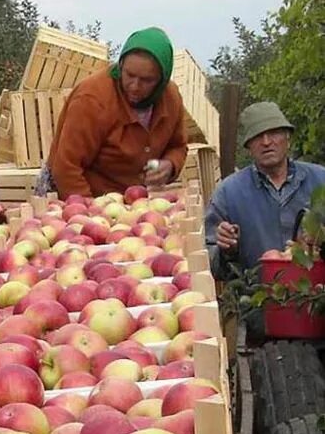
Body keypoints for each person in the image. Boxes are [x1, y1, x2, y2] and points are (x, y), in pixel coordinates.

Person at [39, 27, 188, 199]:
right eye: (129, 75)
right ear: (121, 65)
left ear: (162, 79)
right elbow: (67, 168)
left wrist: (170, 164)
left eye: (147, 80)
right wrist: (88, 214)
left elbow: (178, 146)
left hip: (133, 205)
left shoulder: (171, 99)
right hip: (82, 199)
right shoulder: (92, 100)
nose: (135, 86)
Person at [205, 101, 325, 279]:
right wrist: (227, 251)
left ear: (288, 138)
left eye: (274, 133)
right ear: (248, 147)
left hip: (317, 298)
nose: (267, 142)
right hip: (256, 301)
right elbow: (208, 265)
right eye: (258, 136)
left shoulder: (320, 180)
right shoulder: (229, 193)